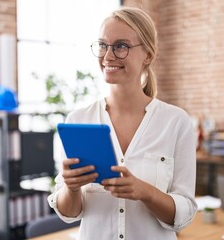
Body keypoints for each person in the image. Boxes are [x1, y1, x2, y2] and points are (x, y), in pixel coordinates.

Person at [48, 6, 197, 240]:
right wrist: (71, 187)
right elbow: (69, 213)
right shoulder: (78, 120)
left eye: (121, 46)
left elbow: (185, 213)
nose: (108, 56)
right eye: (103, 45)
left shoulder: (176, 122)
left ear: (148, 55)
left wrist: (145, 192)